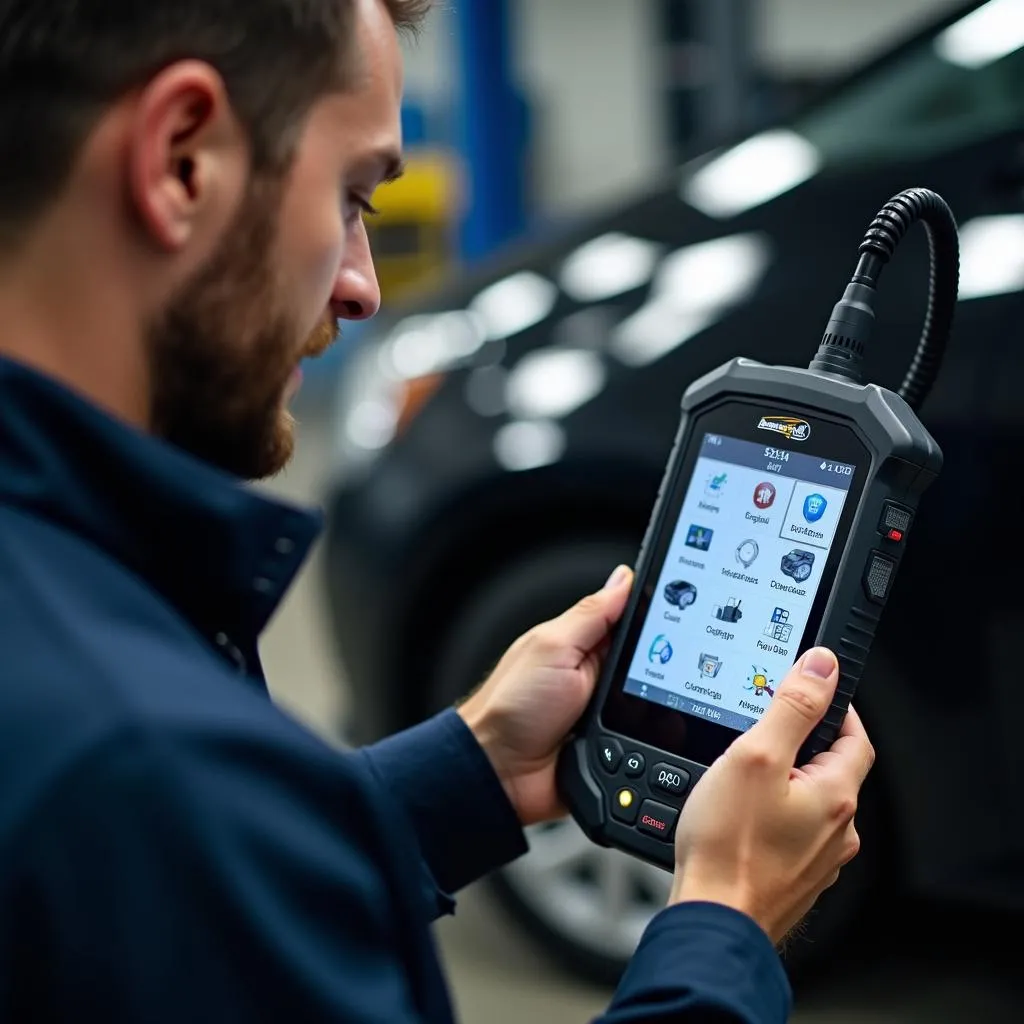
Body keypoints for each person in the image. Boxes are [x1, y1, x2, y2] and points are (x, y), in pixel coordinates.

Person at [0, 1, 874, 1021]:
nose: (364, 286)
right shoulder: (144, 752)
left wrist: (470, 772)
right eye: (351, 194)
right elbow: (180, 833)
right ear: (181, 160)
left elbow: (168, 885)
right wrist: (725, 922)